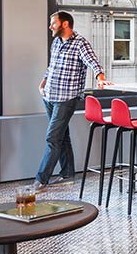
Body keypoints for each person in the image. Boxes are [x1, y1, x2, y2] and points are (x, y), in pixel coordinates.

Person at [37, 11, 109, 187]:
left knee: (52, 138)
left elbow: (93, 63)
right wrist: (43, 82)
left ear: (65, 24)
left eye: (53, 23)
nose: (50, 27)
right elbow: (51, 66)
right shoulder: (56, 42)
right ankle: (68, 174)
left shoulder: (80, 43)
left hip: (66, 98)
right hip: (49, 96)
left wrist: (100, 78)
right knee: (62, 136)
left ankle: (40, 180)